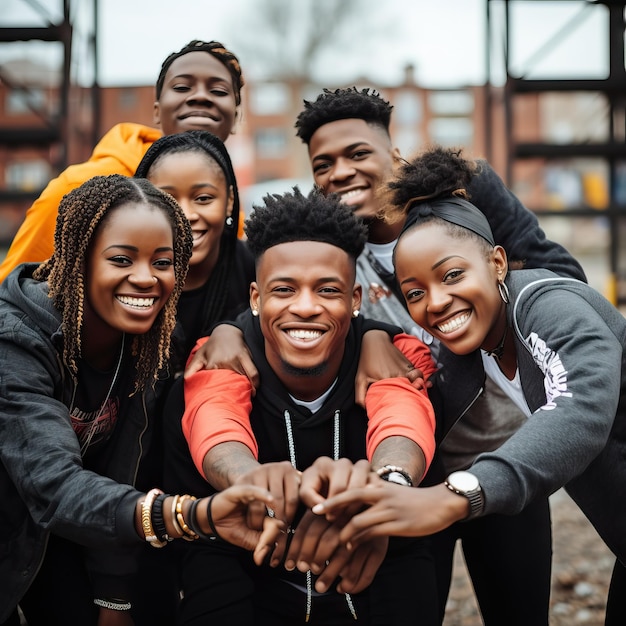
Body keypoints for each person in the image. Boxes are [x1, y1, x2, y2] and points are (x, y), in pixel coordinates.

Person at [193, 86, 587, 622]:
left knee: (517, 609)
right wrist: (230, 328)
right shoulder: (334, 245)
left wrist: (471, 320)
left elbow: (562, 277)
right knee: (418, 605)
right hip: (417, 462)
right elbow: (275, 298)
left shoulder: (459, 204)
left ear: (395, 158)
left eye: (358, 154)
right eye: (323, 165)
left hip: (500, 449)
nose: (341, 173)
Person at [307, 146, 626, 626]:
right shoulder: (467, 357)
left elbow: (578, 408)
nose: (435, 302)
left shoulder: (547, 303)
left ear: (497, 262)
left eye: (453, 275)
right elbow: (412, 415)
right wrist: (382, 502)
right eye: (414, 293)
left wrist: (455, 497)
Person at [0, 174, 282, 626]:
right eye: (121, 259)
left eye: (163, 262)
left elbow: (124, 464)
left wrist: (113, 597)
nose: (146, 278)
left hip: (62, 538)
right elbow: (52, 483)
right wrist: (193, 515)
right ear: (79, 260)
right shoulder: (15, 341)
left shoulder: (146, 342)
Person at [170, 188, 440, 624]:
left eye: (328, 290)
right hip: (248, 574)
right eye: (284, 289)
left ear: (355, 301)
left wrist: (388, 486)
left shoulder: (393, 353)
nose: (306, 307)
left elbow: (402, 419)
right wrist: (251, 481)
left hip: (375, 571)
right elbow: (214, 419)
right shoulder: (220, 355)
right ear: (256, 298)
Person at [0, 39, 245, 283]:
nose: (201, 97)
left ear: (235, 118)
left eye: (218, 91)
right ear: (157, 112)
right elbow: (11, 291)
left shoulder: (230, 218)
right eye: (182, 87)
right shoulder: (77, 190)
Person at [134, 129, 253, 376]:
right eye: (168, 199)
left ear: (229, 201)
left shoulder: (257, 268)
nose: (186, 215)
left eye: (203, 198)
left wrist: (234, 328)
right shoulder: (127, 278)